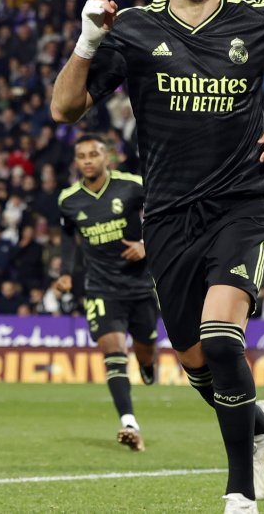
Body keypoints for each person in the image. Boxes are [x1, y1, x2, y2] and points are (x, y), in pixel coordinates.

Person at [51, 0, 264, 514]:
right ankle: (253, 421)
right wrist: (89, 38)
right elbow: (64, 107)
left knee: (223, 340)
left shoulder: (261, 17)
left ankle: (239, 493)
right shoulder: (135, 31)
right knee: (197, 361)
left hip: (245, 201)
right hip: (170, 216)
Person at [57, 134, 157, 452]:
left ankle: (147, 366)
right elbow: (68, 238)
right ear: (76, 162)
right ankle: (130, 423)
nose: (87, 160)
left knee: (146, 351)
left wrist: (146, 246)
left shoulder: (132, 186)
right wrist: (66, 274)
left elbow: (165, 215)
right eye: (82, 156)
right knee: (113, 355)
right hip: (101, 289)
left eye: (94, 154)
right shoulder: (68, 200)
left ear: (106, 158)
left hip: (140, 286)